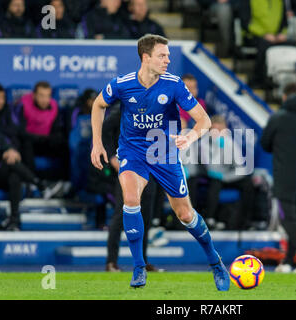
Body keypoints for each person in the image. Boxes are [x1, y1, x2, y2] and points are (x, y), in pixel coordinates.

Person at [90, 34, 230, 289]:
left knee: (185, 214)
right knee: (131, 200)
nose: (168, 60)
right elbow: (98, 105)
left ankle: (215, 262)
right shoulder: (122, 84)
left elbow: (205, 121)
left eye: (168, 55)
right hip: (132, 152)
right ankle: (138, 267)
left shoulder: (174, 84)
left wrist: (190, 138)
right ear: (146, 57)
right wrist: (97, 143)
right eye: (162, 56)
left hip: (164, 153)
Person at [260, 83, 296, 273]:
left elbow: (265, 144)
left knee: (287, 220)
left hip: (285, 177)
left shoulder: (278, 118)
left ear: (284, 97)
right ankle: (287, 263)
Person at [0, 107, 61, 230]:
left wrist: (12, 151)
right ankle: (40, 184)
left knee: (14, 176)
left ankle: (13, 220)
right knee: (10, 164)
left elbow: (10, 149)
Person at [99, 105, 160, 272]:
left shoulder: (158, 108)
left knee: (146, 216)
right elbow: (104, 129)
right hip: (128, 167)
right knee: (121, 214)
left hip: (149, 168)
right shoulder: (128, 105)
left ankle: (142, 261)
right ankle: (111, 262)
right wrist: (111, 155)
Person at [201, 115, 255, 230]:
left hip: (227, 177)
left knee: (248, 184)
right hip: (213, 177)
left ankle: (244, 221)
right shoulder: (204, 143)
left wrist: (227, 176)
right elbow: (211, 168)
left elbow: (240, 165)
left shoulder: (230, 142)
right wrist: (218, 148)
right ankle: (210, 218)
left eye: (220, 130)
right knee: (215, 183)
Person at [11, 81, 68, 180]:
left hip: (45, 141)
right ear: (34, 95)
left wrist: (50, 139)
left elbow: (56, 130)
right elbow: (20, 131)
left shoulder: (54, 106)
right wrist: (38, 138)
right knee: (26, 144)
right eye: (41, 95)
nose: (45, 100)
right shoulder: (23, 104)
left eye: (48, 96)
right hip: (28, 141)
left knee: (63, 145)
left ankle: (62, 182)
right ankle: (32, 181)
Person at [245, 0, 289, 87]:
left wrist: (282, 34)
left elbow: (284, 23)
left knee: (292, 46)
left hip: (275, 37)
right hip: (253, 35)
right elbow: (246, 23)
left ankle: (282, 81)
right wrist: (263, 34)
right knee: (265, 44)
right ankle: (258, 78)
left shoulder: (280, 2)